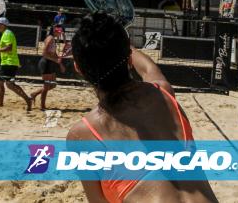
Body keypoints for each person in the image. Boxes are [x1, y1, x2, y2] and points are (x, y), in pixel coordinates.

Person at [67, 12, 218, 203]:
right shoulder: (164, 94)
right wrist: (116, 42)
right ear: (129, 59)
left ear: (78, 69)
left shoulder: (81, 135)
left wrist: (106, 46)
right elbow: (147, 68)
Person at [0, 17, 32, 111]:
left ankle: (26, 99)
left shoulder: (7, 33)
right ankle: (27, 100)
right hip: (9, 62)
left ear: (3, 25)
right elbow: (7, 48)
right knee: (8, 84)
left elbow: (8, 48)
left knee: (2, 83)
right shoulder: (7, 33)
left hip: (8, 62)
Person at [30, 25, 66, 110]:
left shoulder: (53, 39)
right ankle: (42, 106)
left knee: (53, 85)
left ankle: (34, 94)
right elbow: (44, 54)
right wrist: (56, 60)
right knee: (46, 86)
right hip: (45, 63)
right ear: (54, 31)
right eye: (59, 32)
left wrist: (60, 64)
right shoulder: (50, 38)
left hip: (50, 63)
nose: (60, 33)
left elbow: (54, 54)